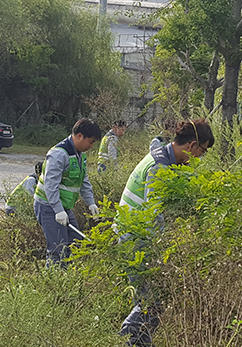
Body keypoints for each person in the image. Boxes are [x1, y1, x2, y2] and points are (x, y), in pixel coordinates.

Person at [117, 119, 214, 346]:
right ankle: (128, 335)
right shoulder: (159, 166)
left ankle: (139, 341)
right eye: (203, 151)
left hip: (141, 235)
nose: (200, 157)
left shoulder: (169, 160)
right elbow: (154, 214)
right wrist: (170, 248)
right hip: (135, 237)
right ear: (191, 146)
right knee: (152, 299)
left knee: (152, 298)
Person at [34, 118, 102, 265]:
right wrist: (58, 210)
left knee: (75, 242)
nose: (91, 146)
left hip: (63, 207)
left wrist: (91, 203)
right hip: (48, 207)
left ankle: (66, 277)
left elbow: (84, 181)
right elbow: (50, 186)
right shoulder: (59, 154)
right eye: (90, 142)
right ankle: (53, 281)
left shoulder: (80, 155)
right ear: (79, 136)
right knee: (58, 249)